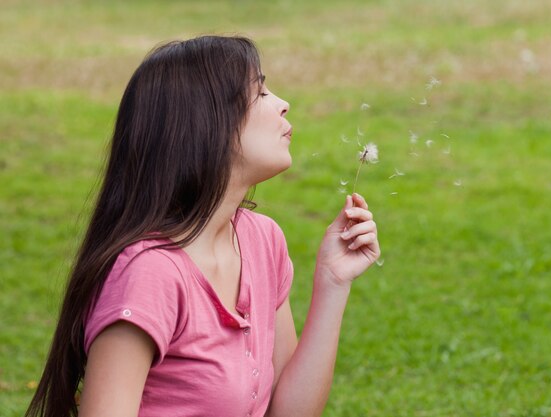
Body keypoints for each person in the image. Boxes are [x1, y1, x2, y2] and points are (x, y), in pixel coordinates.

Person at [26, 35, 380, 417]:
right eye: (259, 92)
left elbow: (287, 411)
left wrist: (333, 282)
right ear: (206, 124)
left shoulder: (262, 240)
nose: (282, 103)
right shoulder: (149, 273)